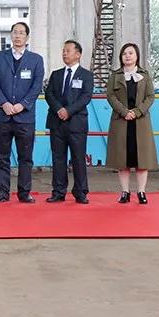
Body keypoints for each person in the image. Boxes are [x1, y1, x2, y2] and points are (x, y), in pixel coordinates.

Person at [0, 22, 45, 203]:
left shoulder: (36, 60)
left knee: (25, 157)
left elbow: (37, 86)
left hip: (25, 117)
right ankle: (2, 193)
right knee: (1, 156)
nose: (18, 35)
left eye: (21, 33)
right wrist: (3, 103)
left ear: (27, 37)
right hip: (2, 115)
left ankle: (24, 193)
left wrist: (23, 105)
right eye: (15, 32)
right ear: (11, 35)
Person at [106, 42, 158, 204]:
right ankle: (125, 192)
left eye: (131, 53)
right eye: (124, 54)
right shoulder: (115, 75)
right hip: (121, 121)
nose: (127, 56)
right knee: (123, 160)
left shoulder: (145, 75)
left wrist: (137, 112)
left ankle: (141, 192)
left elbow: (150, 96)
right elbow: (110, 96)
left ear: (137, 56)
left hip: (140, 122)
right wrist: (124, 112)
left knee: (142, 160)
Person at [44, 40, 94, 204]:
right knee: (58, 158)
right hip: (57, 122)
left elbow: (86, 97)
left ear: (78, 54)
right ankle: (59, 191)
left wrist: (69, 111)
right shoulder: (56, 74)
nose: (64, 53)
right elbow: (49, 94)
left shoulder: (86, 75)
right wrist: (59, 109)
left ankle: (80, 192)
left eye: (68, 50)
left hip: (76, 123)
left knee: (78, 158)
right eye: (63, 50)